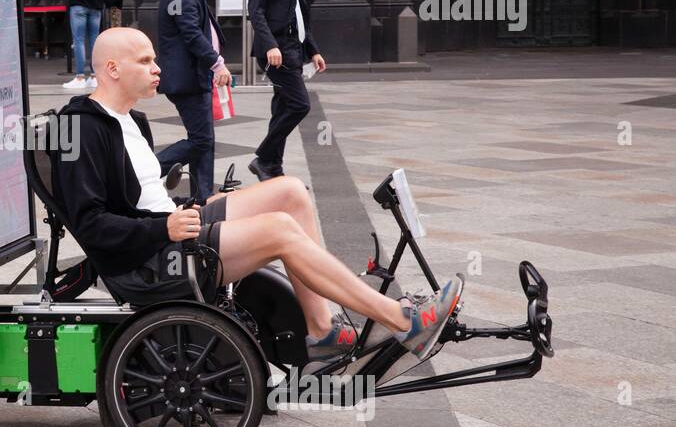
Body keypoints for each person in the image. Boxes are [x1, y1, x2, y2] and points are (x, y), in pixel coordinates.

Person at [55, 28, 463, 362]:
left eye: (154, 59)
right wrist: (165, 227)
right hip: (145, 262)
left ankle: (321, 331)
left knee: (290, 192)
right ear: (112, 68)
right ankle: (402, 320)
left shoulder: (131, 119)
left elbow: (140, 197)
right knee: (281, 230)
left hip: (169, 230)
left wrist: (180, 210)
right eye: (145, 61)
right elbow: (92, 226)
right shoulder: (82, 127)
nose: (157, 68)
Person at [246, 0, 326, 182]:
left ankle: (272, 170)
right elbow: (255, 11)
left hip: (294, 47)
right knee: (300, 104)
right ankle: (264, 156)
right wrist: (270, 45)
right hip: (276, 51)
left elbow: (300, 13)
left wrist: (313, 49)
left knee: (282, 108)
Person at [154, 0, 229, 205]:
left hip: (192, 77)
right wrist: (216, 62)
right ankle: (145, 171)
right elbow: (191, 34)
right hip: (186, 79)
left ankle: (203, 197)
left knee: (204, 139)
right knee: (200, 140)